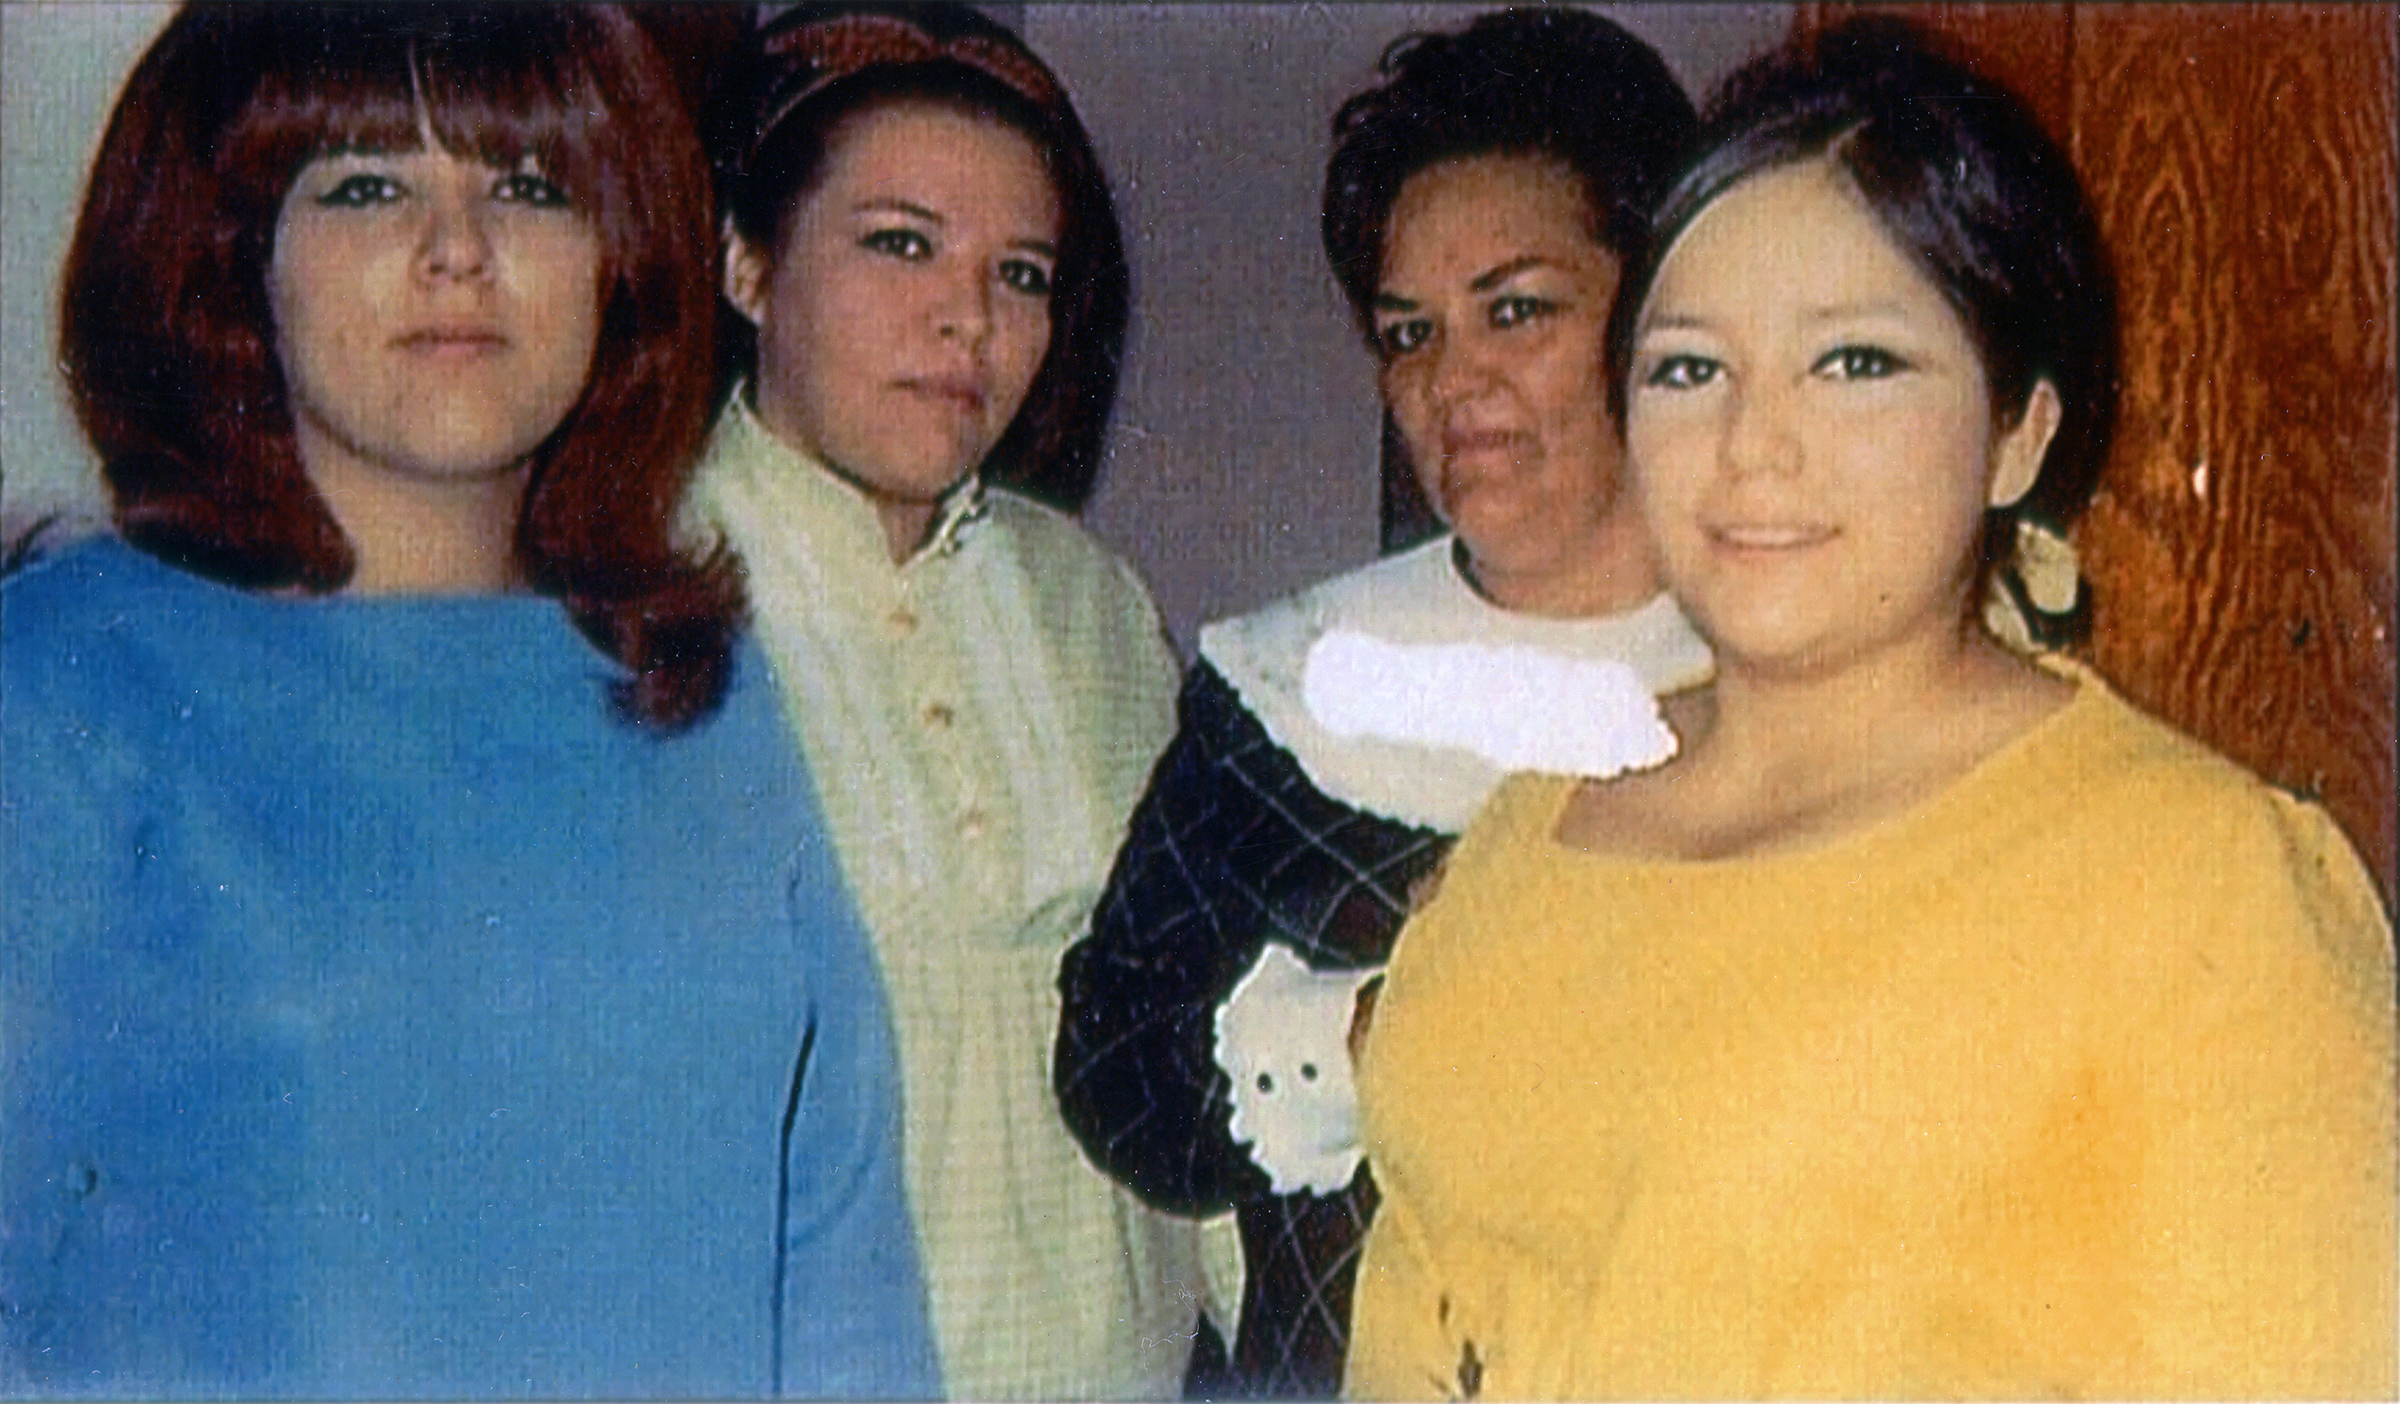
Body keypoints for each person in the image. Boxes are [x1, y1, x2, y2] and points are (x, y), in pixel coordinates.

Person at [1346, 18, 2396, 1398]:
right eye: (1688, 369)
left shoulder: (2204, 885)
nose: (1753, 445)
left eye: (1854, 363)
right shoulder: (1531, 824)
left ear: (2017, 432)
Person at [0, 6, 936, 1398]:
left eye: (532, 188)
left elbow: (841, 1270)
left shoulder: (700, 688)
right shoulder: (64, 675)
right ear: (231, 255)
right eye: (367, 187)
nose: (459, 251)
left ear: (618, 262)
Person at [1052, 11, 1712, 1396]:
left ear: (1661, 312)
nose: (1453, 382)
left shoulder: (1787, 671)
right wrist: (1366, 1036)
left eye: (1517, 310)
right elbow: (1116, 1071)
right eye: (1411, 333)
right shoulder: (1295, 680)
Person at [679, 6, 1220, 1397]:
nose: (969, 319)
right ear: (746, 262)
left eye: (1020, 273)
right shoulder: (628, 605)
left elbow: (1201, 1017)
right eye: (901, 243)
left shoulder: (1091, 600)